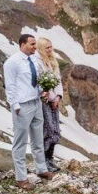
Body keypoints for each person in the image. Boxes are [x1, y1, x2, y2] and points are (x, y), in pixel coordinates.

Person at [4, 33, 51, 190]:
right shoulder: (12, 63)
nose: (34, 47)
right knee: (21, 141)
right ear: (23, 44)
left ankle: (42, 168)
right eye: (32, 44)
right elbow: (10, 86)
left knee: (38, 138)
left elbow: (35, 80)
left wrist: (42, 91)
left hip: (36, 102)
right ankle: (21, 177)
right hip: (22, 105)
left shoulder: (33, 60)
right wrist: (15, 105)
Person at [35, 37, 63, 173]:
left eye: (51, 47)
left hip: (54, 101)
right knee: (48, 129)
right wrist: (51, 98)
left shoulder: (53, 61)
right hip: (45, 101)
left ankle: (50, 158)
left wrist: (58, 96)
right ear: (41, 48)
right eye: (47, 47)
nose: (50, 49)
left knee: (55, 128)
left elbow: (58, 80)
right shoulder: (37, 62)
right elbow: (40, 82)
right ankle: (44, 159)